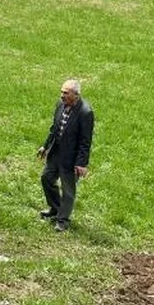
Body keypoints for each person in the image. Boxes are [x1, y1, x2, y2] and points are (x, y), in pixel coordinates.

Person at [37, 79, 94, 233]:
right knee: (46, 178)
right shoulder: (60, 105)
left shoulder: (85, 112)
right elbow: (54, 128)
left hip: (71, 158)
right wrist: (45, 146)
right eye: (61, 92)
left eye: (65, 93)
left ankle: (63, 220)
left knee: (68, 190)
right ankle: (55, 209)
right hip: (56, 152)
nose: (61, 95)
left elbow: (85, 141)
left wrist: (81, 163)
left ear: (75, 95)